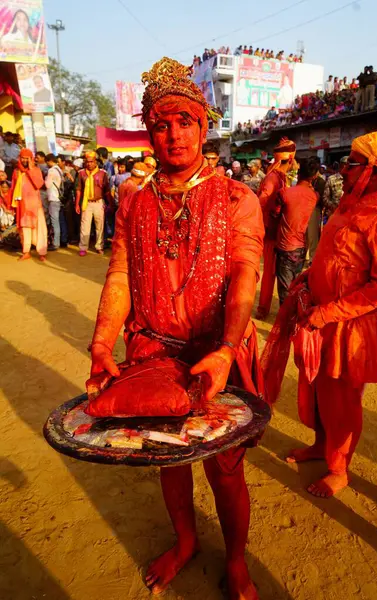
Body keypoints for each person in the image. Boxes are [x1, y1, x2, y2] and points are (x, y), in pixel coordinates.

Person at [89, 56, 265, 599]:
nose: (173, 135)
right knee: (168, 457)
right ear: (148, 132)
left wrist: (227, 349)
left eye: (184, 122)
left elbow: (244, 276)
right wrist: (100, 342)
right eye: (161, 124)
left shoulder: (238, 198)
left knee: (225, 467)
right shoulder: (133, 200)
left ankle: (235, 560)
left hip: (218, 351)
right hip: (151, 351)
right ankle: (186, 541)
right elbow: (120, 272)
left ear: (202, 126)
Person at [263, 132, 377, 498]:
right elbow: (329, 252)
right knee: (317, 389)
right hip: (319, 315)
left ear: (375, 171)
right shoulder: (346, 205)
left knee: (343, 400)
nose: (343, 170)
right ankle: (320, 447)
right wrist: (310, 276)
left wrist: (330, 312)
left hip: (348, 326)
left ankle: (339, 469)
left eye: (351, 164)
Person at [256, 137, 297, 320]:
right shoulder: (273, 178)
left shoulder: (280, 177)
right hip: (271, 231)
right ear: (291, 159)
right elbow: (262, 202)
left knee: (275, 272)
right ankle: (263, 308)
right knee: (269, 273)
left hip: (278, 230)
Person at [275, 158, 318, 304]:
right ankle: (293, 318)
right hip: (301, 247)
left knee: (284, 289)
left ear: (298, 173)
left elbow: (275, 214)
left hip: (285, 245)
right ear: (314, 176)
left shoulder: (285, 193)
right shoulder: (314, 196)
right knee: (296, 286)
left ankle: (285, 321)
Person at [10, 148, 47, 261]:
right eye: (23, 158)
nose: (25, 160)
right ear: (19, 158)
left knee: (39, 228)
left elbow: (39, 184)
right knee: (24, 229)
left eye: (27, 158)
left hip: (35, 205)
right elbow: (13, 188)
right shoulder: (16, 171)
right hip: (22, 205)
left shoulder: (36, 169)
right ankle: (26, 252)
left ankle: (41, 252)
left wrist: (30, 170)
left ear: (31, 159)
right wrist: (12, 205)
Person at [75, 151, 112, 256]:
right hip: (86, 203)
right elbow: (79, 190)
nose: (89, 164)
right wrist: (77, 204)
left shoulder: (103, 173)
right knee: (84, 226)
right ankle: (83, 247)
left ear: (95, 162)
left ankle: (99, 246)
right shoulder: (81, 173)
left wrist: (110, 203)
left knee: (100, 226)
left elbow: (107, 190)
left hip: (99, 202)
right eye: (87, 162)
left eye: (91, 162)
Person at [45, 154, 67, 250]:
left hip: (53, 198)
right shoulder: (59, 170)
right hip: (59, 199)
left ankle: (55, 243)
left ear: (49, 161)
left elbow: (47, 184)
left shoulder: (51, 170)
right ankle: (63, 240)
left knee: (55, 222)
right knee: (60, 221)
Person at [307, 157, 326, 264]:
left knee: (313, 234)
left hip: (315, 209)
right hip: (306, 208)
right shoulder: (308, 179)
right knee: (304, 234)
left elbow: (319, 198)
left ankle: (312, 258)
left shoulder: (320, 181)